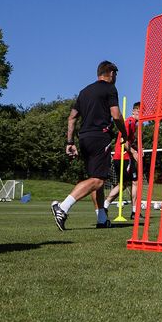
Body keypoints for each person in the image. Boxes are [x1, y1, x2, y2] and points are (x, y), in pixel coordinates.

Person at [53, 61, 129, 230]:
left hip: (84, 138)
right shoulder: (110, 88)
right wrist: (125, 134)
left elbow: (72, 118)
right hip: (99, 137)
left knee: (95, 177)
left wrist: (70, 142)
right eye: (115, 74)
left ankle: (101, 219)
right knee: (98, 180)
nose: (116, 78)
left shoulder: (84, 91)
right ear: (110, 73)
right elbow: (116, 115)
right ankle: (63, 207)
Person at [102, 101, 141, 220]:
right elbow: (122, 141)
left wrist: (137, 148)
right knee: (135, 182)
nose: (141, 114)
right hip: (124, 157)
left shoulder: (134, 123)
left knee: (123, 184)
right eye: (139, 111)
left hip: (120, 157)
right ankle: (135, 211)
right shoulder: (130, 122)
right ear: (134, 111)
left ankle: (105, 205)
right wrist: (134, 152)